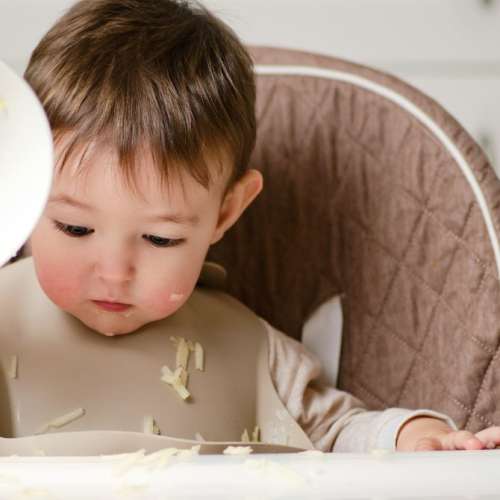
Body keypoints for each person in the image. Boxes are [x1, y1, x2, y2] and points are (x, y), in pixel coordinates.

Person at [2, 0, 499, 453]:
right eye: (73, 228)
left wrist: (411, 439)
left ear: (224, 213)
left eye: (159, 238)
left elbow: (335, 433)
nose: (114, 272)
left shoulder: (252, 349)